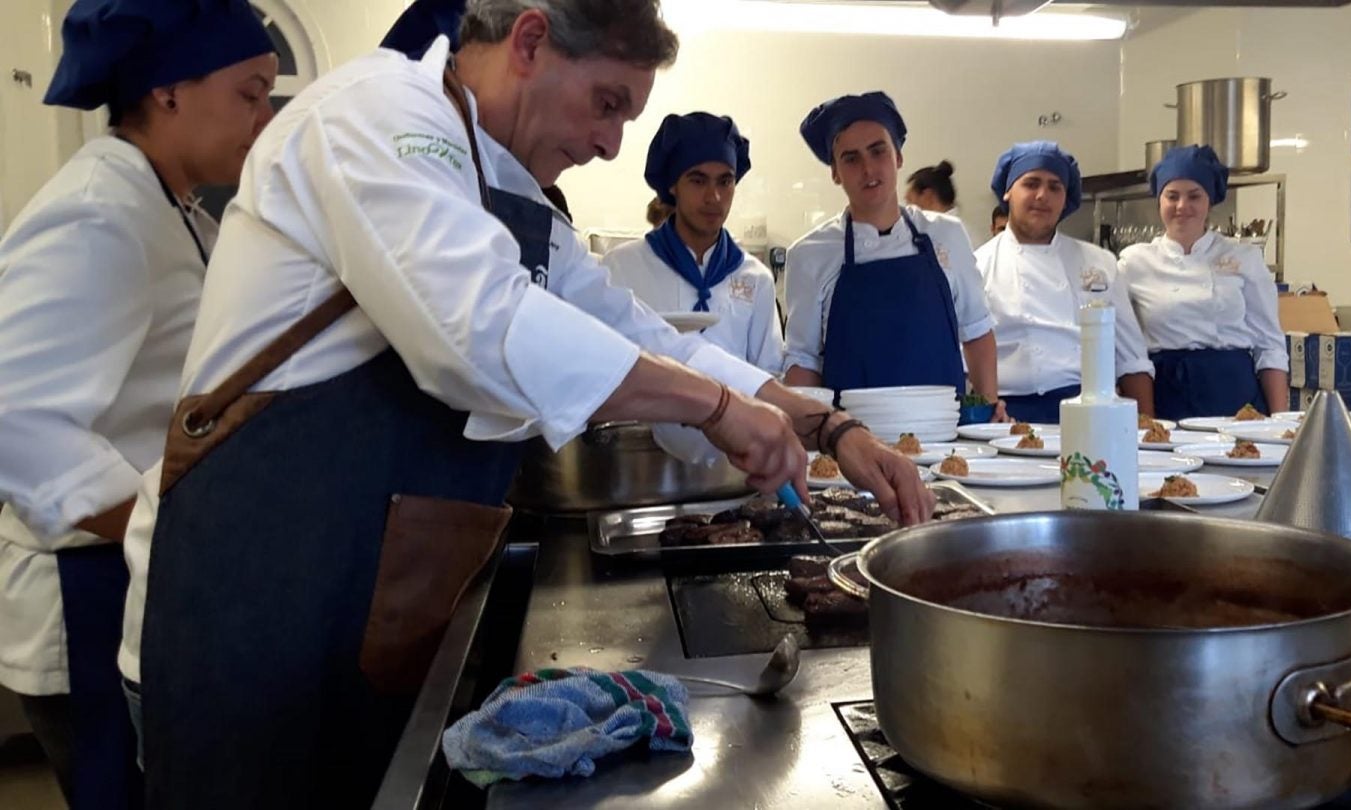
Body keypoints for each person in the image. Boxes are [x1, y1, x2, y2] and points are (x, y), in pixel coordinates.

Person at [120, 3, 930, 808]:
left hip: (372, 599)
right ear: (532, 40)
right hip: (254, 600)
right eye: (607, 103)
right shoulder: (376, 112)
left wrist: (831, 427)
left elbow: (647, 336)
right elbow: (475, 326)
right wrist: (716, 408)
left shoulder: (511, 192)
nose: (612, 142)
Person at [0, 1, 276, 806]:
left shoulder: (174, 205)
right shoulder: (100, 210)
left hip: (129, 573)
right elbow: (13, 416)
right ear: (168, 91)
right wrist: (168, 527)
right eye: (250, 94)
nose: (263, 119)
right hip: (84, 586)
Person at [781, 91, 1002, 416]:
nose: (868, 168)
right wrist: (809, 431)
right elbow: (803, 360)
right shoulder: (809, 254)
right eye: (851, 158)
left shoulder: (946, 234)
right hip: (853, 441)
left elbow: (977, 332)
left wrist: (987, 409)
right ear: (835, 172)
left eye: (878, 151)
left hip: (943, 437)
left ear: (898, 157)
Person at [974, 141, 1154, 423]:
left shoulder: (1100, 263)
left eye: (1055, 187)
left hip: (1090, 413)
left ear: (1065, 197)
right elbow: (961, 362)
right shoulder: (977, 266)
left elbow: (1131, 358)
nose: (1042, 195)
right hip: (1005, 417)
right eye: (1031, 184)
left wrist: (1145, 428)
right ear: (1008, 192)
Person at [602, 112, 783, 373]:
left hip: (735, 414)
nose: (714, 197)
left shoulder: (756, 279)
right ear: (673, 185)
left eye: (725, 181)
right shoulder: (621, 267)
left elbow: (770, 374)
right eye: (698, 181)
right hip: (645, 414)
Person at [1118, 145, 1287, 419]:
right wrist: (1143, 420)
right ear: (1159, 201)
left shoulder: (1244, 256)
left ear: (1210, 202)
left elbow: (1269, 345)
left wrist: (1281, 421)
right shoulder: (1134, 262)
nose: (1182, 206)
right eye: (1172, 196)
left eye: (1194, 196)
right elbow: (1124, 347)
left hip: (1235, 394)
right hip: (1165, 394)